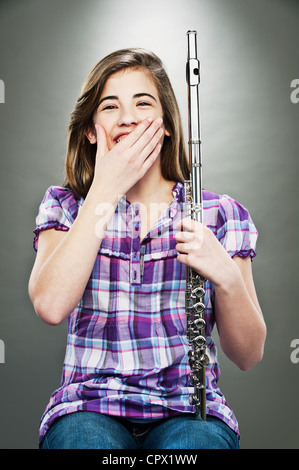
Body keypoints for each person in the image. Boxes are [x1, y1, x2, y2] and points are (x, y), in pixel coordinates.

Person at [28, 48, 266, 450]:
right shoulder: (66, 206)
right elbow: (50, 305)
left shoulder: (219, 213)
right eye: (110, 106)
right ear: (90, 130)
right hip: (89, 407)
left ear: (168, 124)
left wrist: (224, 274)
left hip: (190, 411)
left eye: (143, 102)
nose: (128, 117)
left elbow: (248, 354)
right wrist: (105, 188)